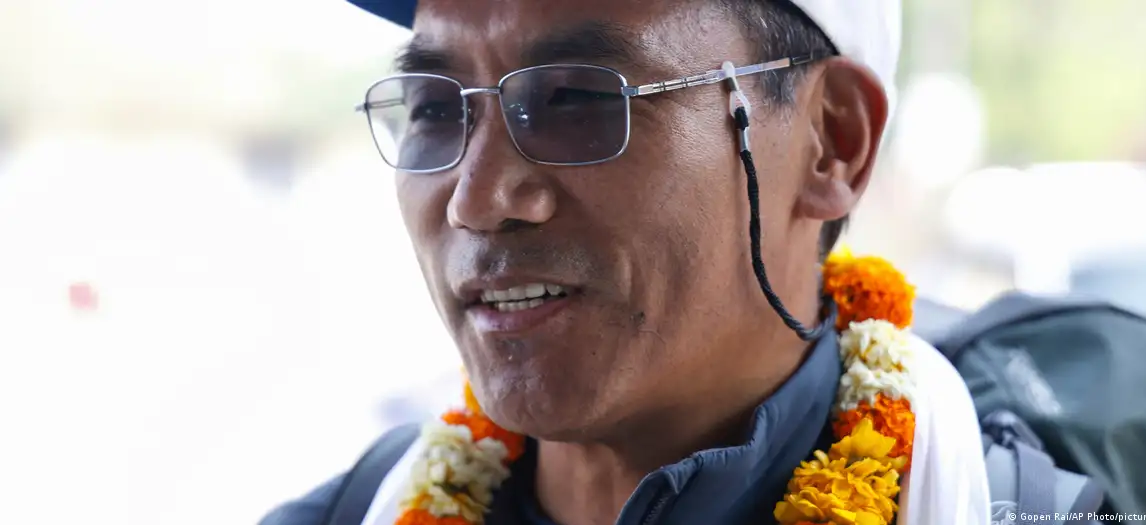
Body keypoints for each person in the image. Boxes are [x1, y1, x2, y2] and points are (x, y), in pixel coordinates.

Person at [262, 0, 992, 524]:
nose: (476, 201)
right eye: (434, 108)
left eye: (576, 97)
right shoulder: (354, 509)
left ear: (832, 141)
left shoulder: (995, 498)